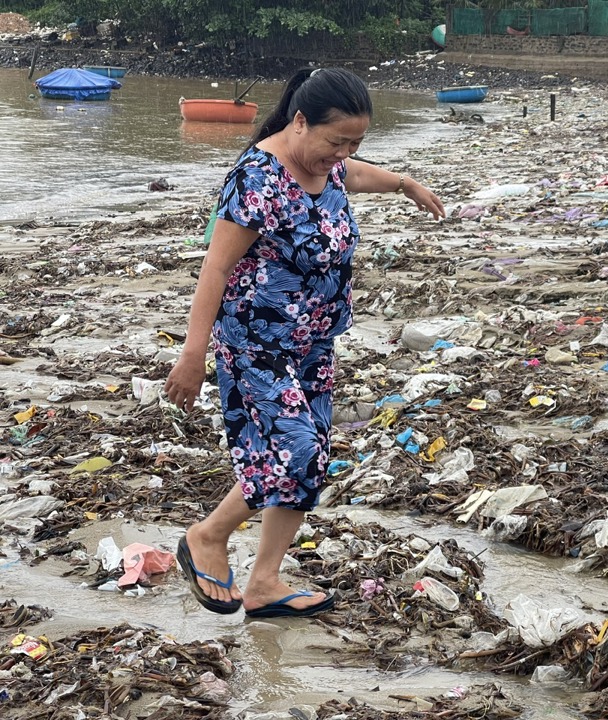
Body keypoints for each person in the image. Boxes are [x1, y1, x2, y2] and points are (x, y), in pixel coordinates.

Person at [164, 67, 445, 618]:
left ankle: (264, 582)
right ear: (298, 121)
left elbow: (352, 177)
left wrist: (405, 183)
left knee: (310, 463)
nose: (341, 153)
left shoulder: (329, 167)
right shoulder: (258, 180)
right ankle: (207, 536)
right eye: (334, 140)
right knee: (297, 452)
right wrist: (192, 353)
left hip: (313, 342)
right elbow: (215, 271)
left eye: (353, 143)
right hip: (255, 343)